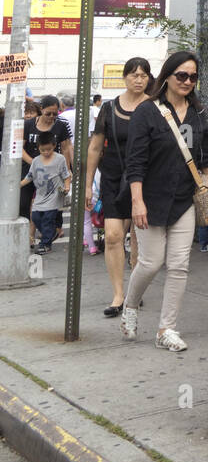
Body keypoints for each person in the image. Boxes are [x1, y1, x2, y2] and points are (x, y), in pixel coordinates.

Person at [121, 51, 208, 352]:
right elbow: (134, 162)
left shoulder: (198, 114)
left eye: (193, 76)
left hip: (184, 200)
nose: (188, 81)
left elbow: (206, 159)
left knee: (178, 265)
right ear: (168, 76)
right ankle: (130, 305)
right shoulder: (147, 111)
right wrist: (137, 201)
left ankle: (167, 329)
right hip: (150, 198)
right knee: (150, 263)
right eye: (182, 75)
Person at [85, 57, 153, 316]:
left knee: (139, 239)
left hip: (145, 178)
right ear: (125, 77)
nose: (138, 79)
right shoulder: (110, 108)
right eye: (134, 74)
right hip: (114, 178)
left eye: (143, 75)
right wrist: (89, 184)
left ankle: (135, 291)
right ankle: (118, 295)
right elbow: (94, 146)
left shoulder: (155, 106)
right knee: (113, 236)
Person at [22, 96, 73, 244]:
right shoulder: (29, 124)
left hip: (53, 172)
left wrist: (67, 171)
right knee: (25, 204)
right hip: (30, 169)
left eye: (55, 114)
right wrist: (34, 163)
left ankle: (49, 233)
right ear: (41, 110)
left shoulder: (60, 126)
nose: (51, 117)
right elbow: (21, 147)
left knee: (51, 207)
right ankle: (30, 236)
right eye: (48, 113)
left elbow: (65, 148)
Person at [20, 133, 70, 254]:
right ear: (38, 148)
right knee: (36, 217)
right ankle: (51, 233)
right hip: (40, 195)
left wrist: (67, 186)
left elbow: (66, 175)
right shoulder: (36, 161)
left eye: (49, 149)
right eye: (43, 150)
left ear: (54, 146)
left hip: (54, 195)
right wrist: (20, 184)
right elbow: (30, 176)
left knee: (48, 219)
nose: (46, 152)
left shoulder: (60, 159)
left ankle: (45, 244)